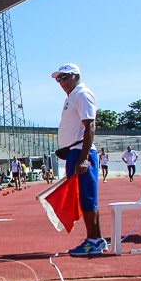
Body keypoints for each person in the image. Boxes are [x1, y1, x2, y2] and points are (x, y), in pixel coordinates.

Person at [52, 63, 102, 256]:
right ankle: (96, 238)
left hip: (82, 152)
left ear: (75, 76)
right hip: (75, 150)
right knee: (85, 197)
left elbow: (90, 126)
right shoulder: (72, 97)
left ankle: (93, 241)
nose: (61, 82)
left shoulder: (82, 94)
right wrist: (67, 149)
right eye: (58, 79)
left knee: (87, 197)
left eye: (64, 77)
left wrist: (82, 158)